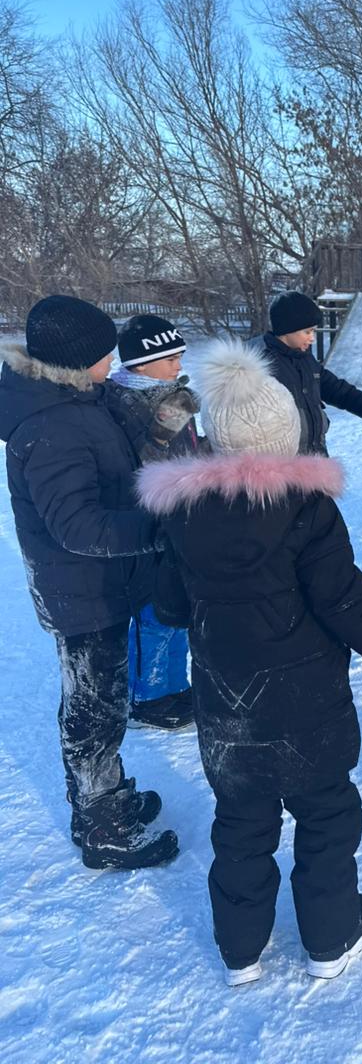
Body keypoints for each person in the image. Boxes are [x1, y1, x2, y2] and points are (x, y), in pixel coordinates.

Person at [139, 340, 362, 986]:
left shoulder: (183, 512)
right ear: (286, 436)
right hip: (307, 708)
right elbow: (349, 606)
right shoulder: (307, 509)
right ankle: (330, 938)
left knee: (241, 822)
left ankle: (241, 952)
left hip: (227, 707)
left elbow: (171, 606)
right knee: (326, 815)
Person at [0, 296, 178, 870]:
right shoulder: (52, 426)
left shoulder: (80, 399)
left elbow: (119, 465)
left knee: (103, 698)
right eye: (105, 353)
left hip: (105, 581)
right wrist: (161, 528)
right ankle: (101, 824)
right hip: (83, 590)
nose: (112, 360)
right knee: (94, 707)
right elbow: (76, 525)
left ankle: (109, 796)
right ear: (76, 362)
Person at [111, 313, 202, 730]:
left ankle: (176, 687)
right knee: (150, 615)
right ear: (143, 363)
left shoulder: (173, 393)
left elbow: (192, 449)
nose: (179, 365)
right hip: (146, 526)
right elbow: (130, 467)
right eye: (171, 359)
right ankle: (144, 697)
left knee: (180, 609)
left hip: (183, 521)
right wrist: (163, 433)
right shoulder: (118, 402)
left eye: (180, 356)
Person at [259, 291, 362, 457]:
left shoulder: (307, 362)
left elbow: (340, 391)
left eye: (314, 332)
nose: (312, 338)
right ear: (287, 329)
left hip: (317, 465)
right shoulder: (264, 369)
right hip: (283, 470)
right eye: (308, 332)